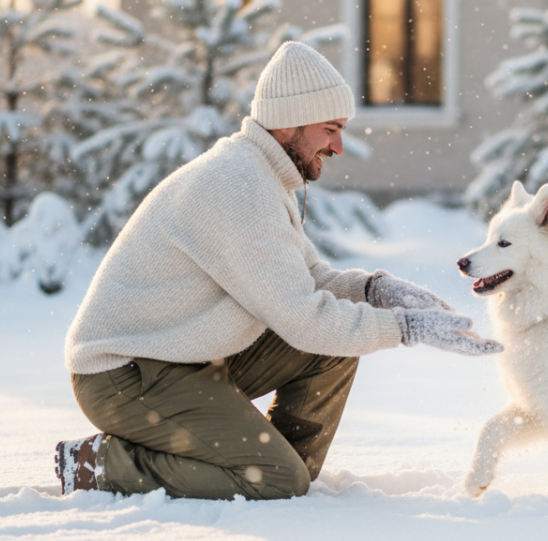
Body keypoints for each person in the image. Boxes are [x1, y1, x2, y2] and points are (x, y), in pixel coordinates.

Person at [55, 42, 502, 500]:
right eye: (330, 129)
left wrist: (376, 291)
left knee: (331, 353)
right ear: (289, 121)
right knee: (277, 477)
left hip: (184, 355)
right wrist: (405, 328)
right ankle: (101, 465)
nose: (339, 146)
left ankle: (272, 470)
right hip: (123, 374)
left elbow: (310, 283)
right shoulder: (238, 187)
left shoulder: (261, 176)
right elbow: (303, 318)